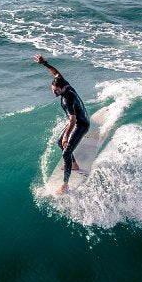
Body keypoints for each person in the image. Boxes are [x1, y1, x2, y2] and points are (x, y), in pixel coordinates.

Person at [35, 54, 90, 195]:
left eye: (56, 91)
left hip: (81, 124)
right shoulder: (64, 83)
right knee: (60, 142)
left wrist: (66, 136)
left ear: (62, 88)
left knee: (66, 152)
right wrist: (44, 63)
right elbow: (56, 73)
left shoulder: (67, 99)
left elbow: (72, 120)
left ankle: (65, 185)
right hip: (79, 120)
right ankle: (74, 165)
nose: (54, 92)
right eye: (52, 89)